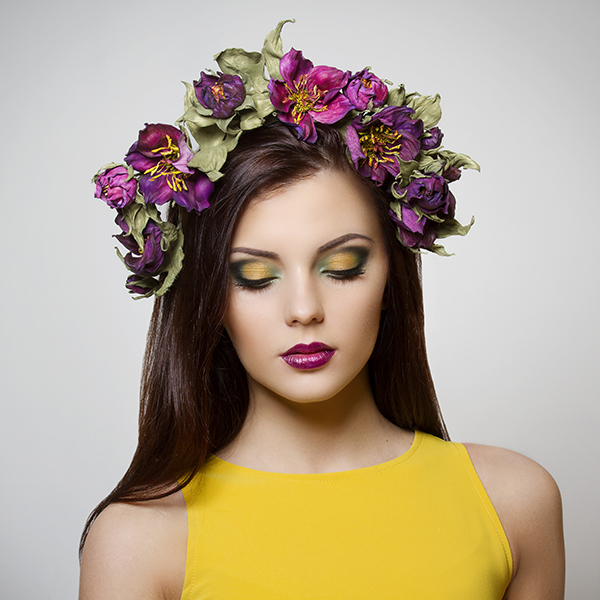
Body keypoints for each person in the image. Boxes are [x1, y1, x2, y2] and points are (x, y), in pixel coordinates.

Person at [80, 23, 565, 599]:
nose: (304, 309)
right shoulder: (137, 541)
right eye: (255, 276)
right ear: (209, 296)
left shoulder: (514, 502)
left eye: (342, 267)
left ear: (392, 273)